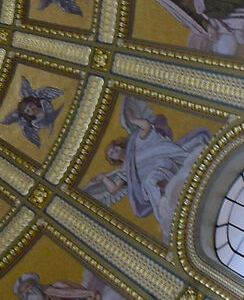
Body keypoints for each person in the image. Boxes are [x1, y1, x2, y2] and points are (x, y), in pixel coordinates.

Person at [84, 96, 213, 229]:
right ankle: (166, 214)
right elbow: (114, 190)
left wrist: (133, 120)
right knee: (150, 183)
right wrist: (104, 178)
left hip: (165, 163)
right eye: (112, 153)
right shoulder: (124, 171)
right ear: (114, 159)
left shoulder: (136, 144)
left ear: (119, 144)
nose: (115, 151)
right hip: (156, 178)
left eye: (114, 147)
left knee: (153, 178)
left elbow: (146, 127)